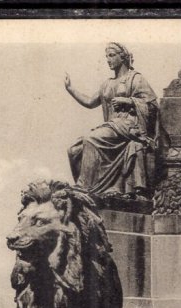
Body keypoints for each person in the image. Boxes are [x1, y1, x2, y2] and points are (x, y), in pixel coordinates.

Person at [65, 43, 159, 199]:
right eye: (106, 56)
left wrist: (129, 101)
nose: (108, 60)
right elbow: (90, 102)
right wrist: (70, 89)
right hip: (113, 126)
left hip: (129, 126)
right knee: (74, 149)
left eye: (111, 55)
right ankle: (96, 187)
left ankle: (84, 187)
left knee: (91, 139)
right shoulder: (107, 84)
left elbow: (153, 106)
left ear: (122, 57)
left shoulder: (135, 78)